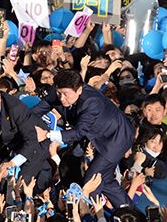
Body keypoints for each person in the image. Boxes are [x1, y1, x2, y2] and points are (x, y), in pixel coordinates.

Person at [33, 69, 135, 207]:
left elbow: (79, 132)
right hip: (91, 134)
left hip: (115, 137)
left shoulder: (92, 101)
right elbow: (38, 110)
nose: (61, 98)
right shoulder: (58, 90)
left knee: (90, 180)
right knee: (102, 178)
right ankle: (129, 212)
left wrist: (47, 134)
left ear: (79, 90)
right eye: (59, 93)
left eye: (66, 94)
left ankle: (91, 215)